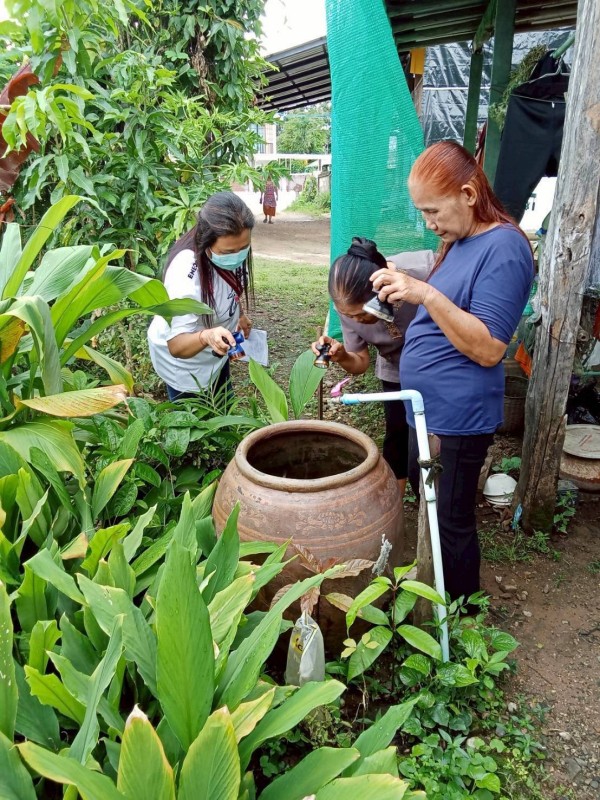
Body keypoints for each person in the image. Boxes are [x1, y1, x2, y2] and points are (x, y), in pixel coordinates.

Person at [370, 140, 534, 605]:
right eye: (421, 212)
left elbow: (488, 347)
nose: (429, 223)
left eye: (432, 210)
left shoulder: (504, 246)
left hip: (458, 414)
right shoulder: (459, 242)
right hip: (430, 408)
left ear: (467, 193)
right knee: (434, 512)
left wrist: (424, 294)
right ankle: (435, 601)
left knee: (453, 520)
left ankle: (462, 622)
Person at [312, 237, 434, 497]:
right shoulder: (347, 310)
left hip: (436, 364)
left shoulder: (421, 272)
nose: (357, 320)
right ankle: (394, 502)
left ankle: (431, 493)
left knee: (426, 438)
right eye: (349, 315)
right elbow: (360, 362)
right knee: (398, 434)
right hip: (395, 368)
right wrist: (343, 354)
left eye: (361, 313)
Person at [148, 191, 254, 401]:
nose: (238, 256)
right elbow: (177, 346)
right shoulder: (185, 271)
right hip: (185, 365)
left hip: (215, 355)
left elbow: (229, 286)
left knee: (223, 410)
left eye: (243, 248)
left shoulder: (231, 250)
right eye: (227, 252)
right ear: (206, 242)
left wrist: (238, 314)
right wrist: (206, 336)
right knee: (193, 424)